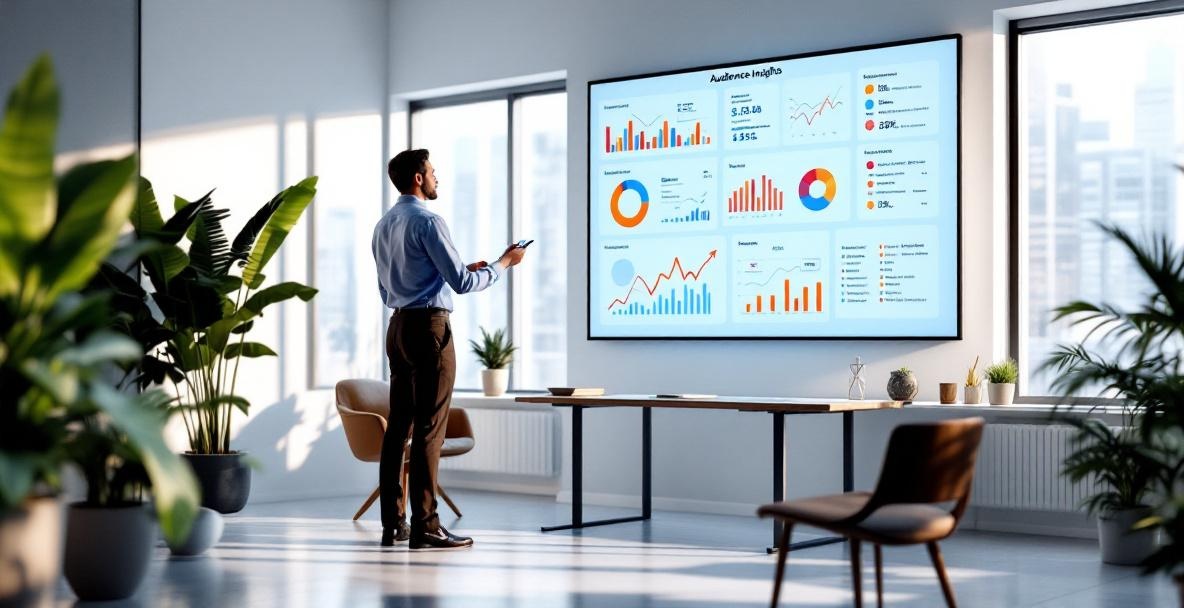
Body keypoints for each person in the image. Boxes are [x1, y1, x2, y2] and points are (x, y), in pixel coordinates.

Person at [371, 149, 526, 549]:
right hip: (430, 329)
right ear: (419, 178)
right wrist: (503, 264)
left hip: (399, 326)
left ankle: (394, 524)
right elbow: (461, 284)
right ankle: (427, 525)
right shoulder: (428, 220)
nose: (438, 177)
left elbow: (392, 287)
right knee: (429, 429)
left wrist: (456, 273)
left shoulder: (383, 225)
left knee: (399, 428)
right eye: (433, 172)